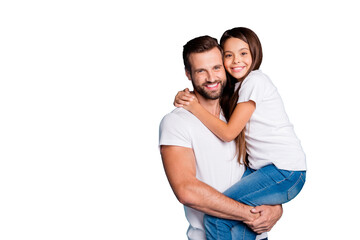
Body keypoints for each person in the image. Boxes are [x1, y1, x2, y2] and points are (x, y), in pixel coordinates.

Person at [174, 27, 307, 240]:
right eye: (229, 55)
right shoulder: (236, 88)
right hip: (267, 170)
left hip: (283, 171)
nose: (236, 60)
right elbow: (209, 89)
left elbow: (228, 133)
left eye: (243, 53)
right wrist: (188, 95)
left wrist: (194, 107)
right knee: (239, 225)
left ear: (255, 54)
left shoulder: (255, 81)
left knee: (216, 218)